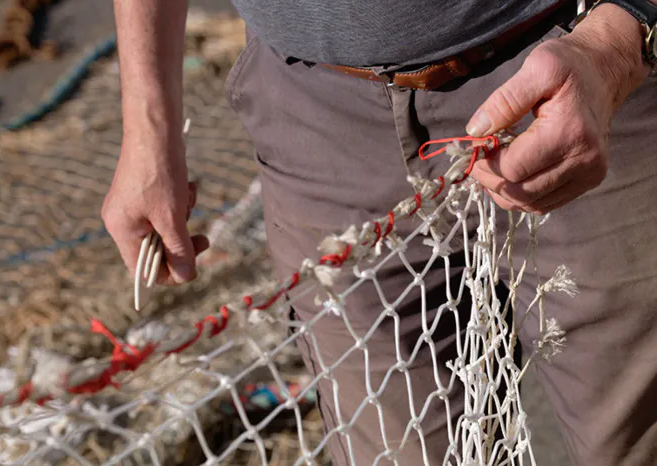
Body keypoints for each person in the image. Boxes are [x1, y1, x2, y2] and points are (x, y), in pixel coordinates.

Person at [102, 0, 657, 464]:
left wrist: (618, 39)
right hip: (312, 111)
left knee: (633, 442)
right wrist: (147, 123)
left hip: (574, 66)